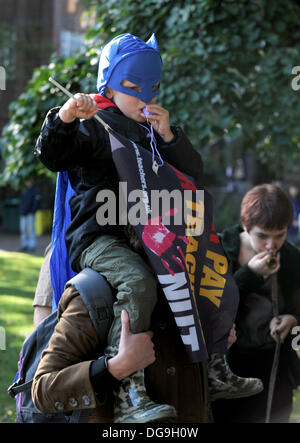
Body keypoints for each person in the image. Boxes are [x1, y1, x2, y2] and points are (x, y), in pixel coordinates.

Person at [34, 32, 260, 423]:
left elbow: (192, 175)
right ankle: (129, 390)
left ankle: (216, 366)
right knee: (137, 283)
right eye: (134, 88)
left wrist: (170, 138)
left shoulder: (154, 129)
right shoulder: (93, 124)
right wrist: (67, 116)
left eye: (153, 89)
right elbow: (54, 155)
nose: (146, 98)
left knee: (207, 260)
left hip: (153, 234)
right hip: (100, 237)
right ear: (109, 84)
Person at [212, 184, 300, 423]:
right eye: (262, 236)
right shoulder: (219, 250)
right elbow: (212, 306)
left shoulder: (291, 257)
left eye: (279, 235)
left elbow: (297, 307)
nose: (271, 245)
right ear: (246, 226)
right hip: (229, 366)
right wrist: (249, 274)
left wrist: (292, 320)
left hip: (274, 365)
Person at [19, 178, 41, 252]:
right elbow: (22, 202)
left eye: (29, 182)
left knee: (31, 230)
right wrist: (22, 210)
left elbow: (36, 203)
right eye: (27, 182)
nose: (28, 183)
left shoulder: (35, 191)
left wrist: (32, 211)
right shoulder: (24, 190)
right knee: (23, 230)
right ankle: (24, 245)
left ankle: (32, 245)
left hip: (30, 214)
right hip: (23, 214)